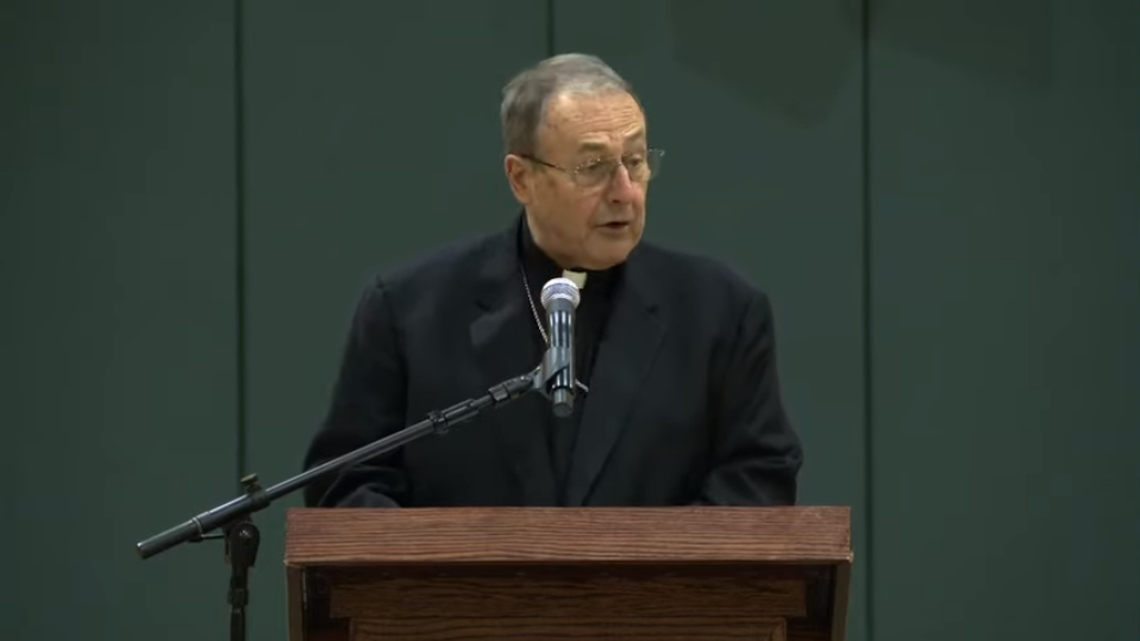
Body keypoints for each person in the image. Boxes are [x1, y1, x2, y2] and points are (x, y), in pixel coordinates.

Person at [301, 53, 803, 509]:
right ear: (521, 178)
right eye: (593, 167)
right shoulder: (409, 312)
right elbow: (347, 484)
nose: (624, 192)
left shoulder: (721, 313)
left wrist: (645, 578)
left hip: (657, 607)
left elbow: (758, 479)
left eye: (635, 160)